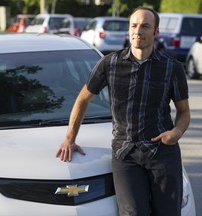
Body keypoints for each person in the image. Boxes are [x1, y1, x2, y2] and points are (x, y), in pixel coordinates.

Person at [55, 7, 190, 216]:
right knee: (133, 212)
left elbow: (183, 112)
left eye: (145, 26)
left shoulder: (173, 68)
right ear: (129, 30)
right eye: (134, 26)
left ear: (155, 32)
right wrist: (69, 138)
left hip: (162, 152)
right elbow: (83, 99)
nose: (138, 31)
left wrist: (177, 132)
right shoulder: (109, 64)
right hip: (126, 154)